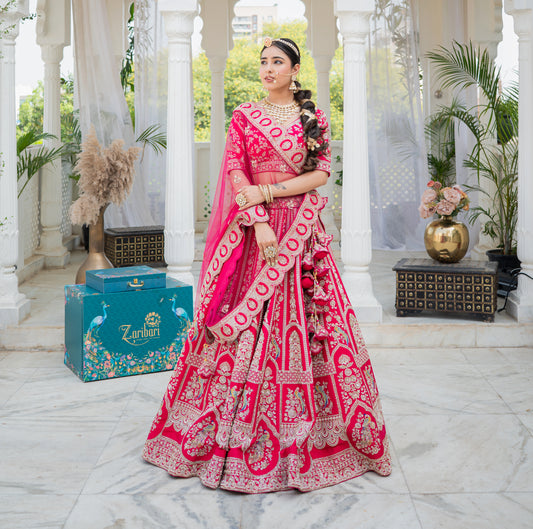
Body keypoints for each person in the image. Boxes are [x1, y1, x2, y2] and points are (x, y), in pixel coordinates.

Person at [143, 37, 391, 492]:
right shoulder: (244, 115)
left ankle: (316, 432)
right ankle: (226, 430)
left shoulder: (311, 117)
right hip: (257, 233)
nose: (268, 69)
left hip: (300, 232)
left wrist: (271, 194)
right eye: (263, 62)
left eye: (277, 62)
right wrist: (258, 220)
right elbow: (236, 168)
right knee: (246, 322)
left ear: (295, 69)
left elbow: (321, 173)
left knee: (314, 325)